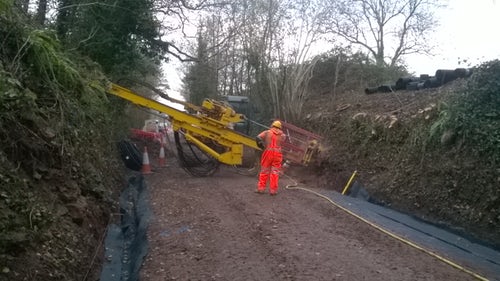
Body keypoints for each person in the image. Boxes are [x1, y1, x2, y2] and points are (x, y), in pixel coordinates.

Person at [255, 120, 286, 196]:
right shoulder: (282, 135)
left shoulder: (267, 132)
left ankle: (261, 189)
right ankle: (273, 191)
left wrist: (261, 146)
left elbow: (258, 137)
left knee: (264, 171)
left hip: (268, 153)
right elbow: (283, 140)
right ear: (280, 127)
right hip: (277, 155)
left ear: (272, 125)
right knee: (275, 172)